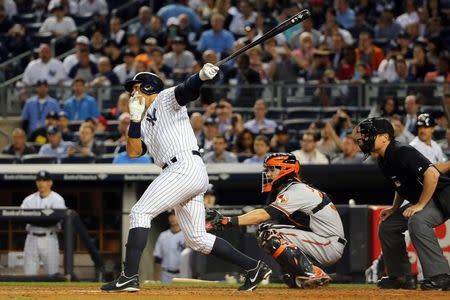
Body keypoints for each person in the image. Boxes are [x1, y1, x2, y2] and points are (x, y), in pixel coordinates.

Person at [101, 65, 272, 292]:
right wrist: (134, 119)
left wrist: (200, 76)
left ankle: (129, 276)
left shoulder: (164, 98)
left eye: (136, 88)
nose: (132, 94)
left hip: (183, 167)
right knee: (197, 239)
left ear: (149, 87)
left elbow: (187, 90)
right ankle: (254, 267)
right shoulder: (143, 123)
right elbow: (133, 152)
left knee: (140, 212)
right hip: (184, 172)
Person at [205, 153, 345, 288]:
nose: (268, 173)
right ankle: (298, 274)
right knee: (266, 229)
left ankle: (313, 273)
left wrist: (228, 221)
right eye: (267, 169)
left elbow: (263, 215)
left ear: (285, 169)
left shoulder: (297, 191)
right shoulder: (295, 189)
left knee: (269, 233)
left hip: (328, 244)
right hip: (321, 240)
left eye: (272, 169)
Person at [354, 117, 450, 290]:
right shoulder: (384, 159)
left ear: (384, 137)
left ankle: (441, 275)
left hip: (443, 196)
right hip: (429, 197)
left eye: (370, 135)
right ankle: (400, 276)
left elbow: (432, 175)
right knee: (388, 225)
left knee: (418, 220)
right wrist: (394, 208)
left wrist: (420, 205)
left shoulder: (402, 151)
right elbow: (401, 185)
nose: (365, 138)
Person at [20, 171, 66, 275]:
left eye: (44, 180)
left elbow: (55, 220)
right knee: (28, 274)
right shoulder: (29, 200)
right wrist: (42, 217)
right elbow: (21, 217)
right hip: (32, 238)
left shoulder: (57, 199)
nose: (41, 183)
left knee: (53, 273)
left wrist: (35, 218)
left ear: (50, 183)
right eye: (39, 180)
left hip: (49, 238)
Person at [153, 211, 185, 283]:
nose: (172, 218)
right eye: (170, 215)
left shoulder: (186, 235)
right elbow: (158, 257)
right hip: (165, 274)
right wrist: (156, 276)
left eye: (175, 215)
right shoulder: (163, 235)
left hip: (183, 274)